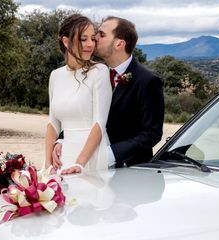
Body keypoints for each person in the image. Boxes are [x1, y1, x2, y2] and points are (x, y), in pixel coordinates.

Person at [53, 16, 164, 170]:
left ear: (119, 43)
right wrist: (62, 140)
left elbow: (151, 133)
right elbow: (82, 113)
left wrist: (109, 154)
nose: (95, 39)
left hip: (130, 172)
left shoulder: (148, 81)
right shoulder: (94, 74)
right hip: (87, 162)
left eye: (101, 35)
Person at [44, 14, 112, 175]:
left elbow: (99, 123)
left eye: (93, 39)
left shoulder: (100, 72)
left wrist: (79, 163)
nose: (90, 44)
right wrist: (47, 165)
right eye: (83, 39)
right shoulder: (55, 75)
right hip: (62, 157)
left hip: (91, 157)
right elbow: (52, 124)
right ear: (66, 42)